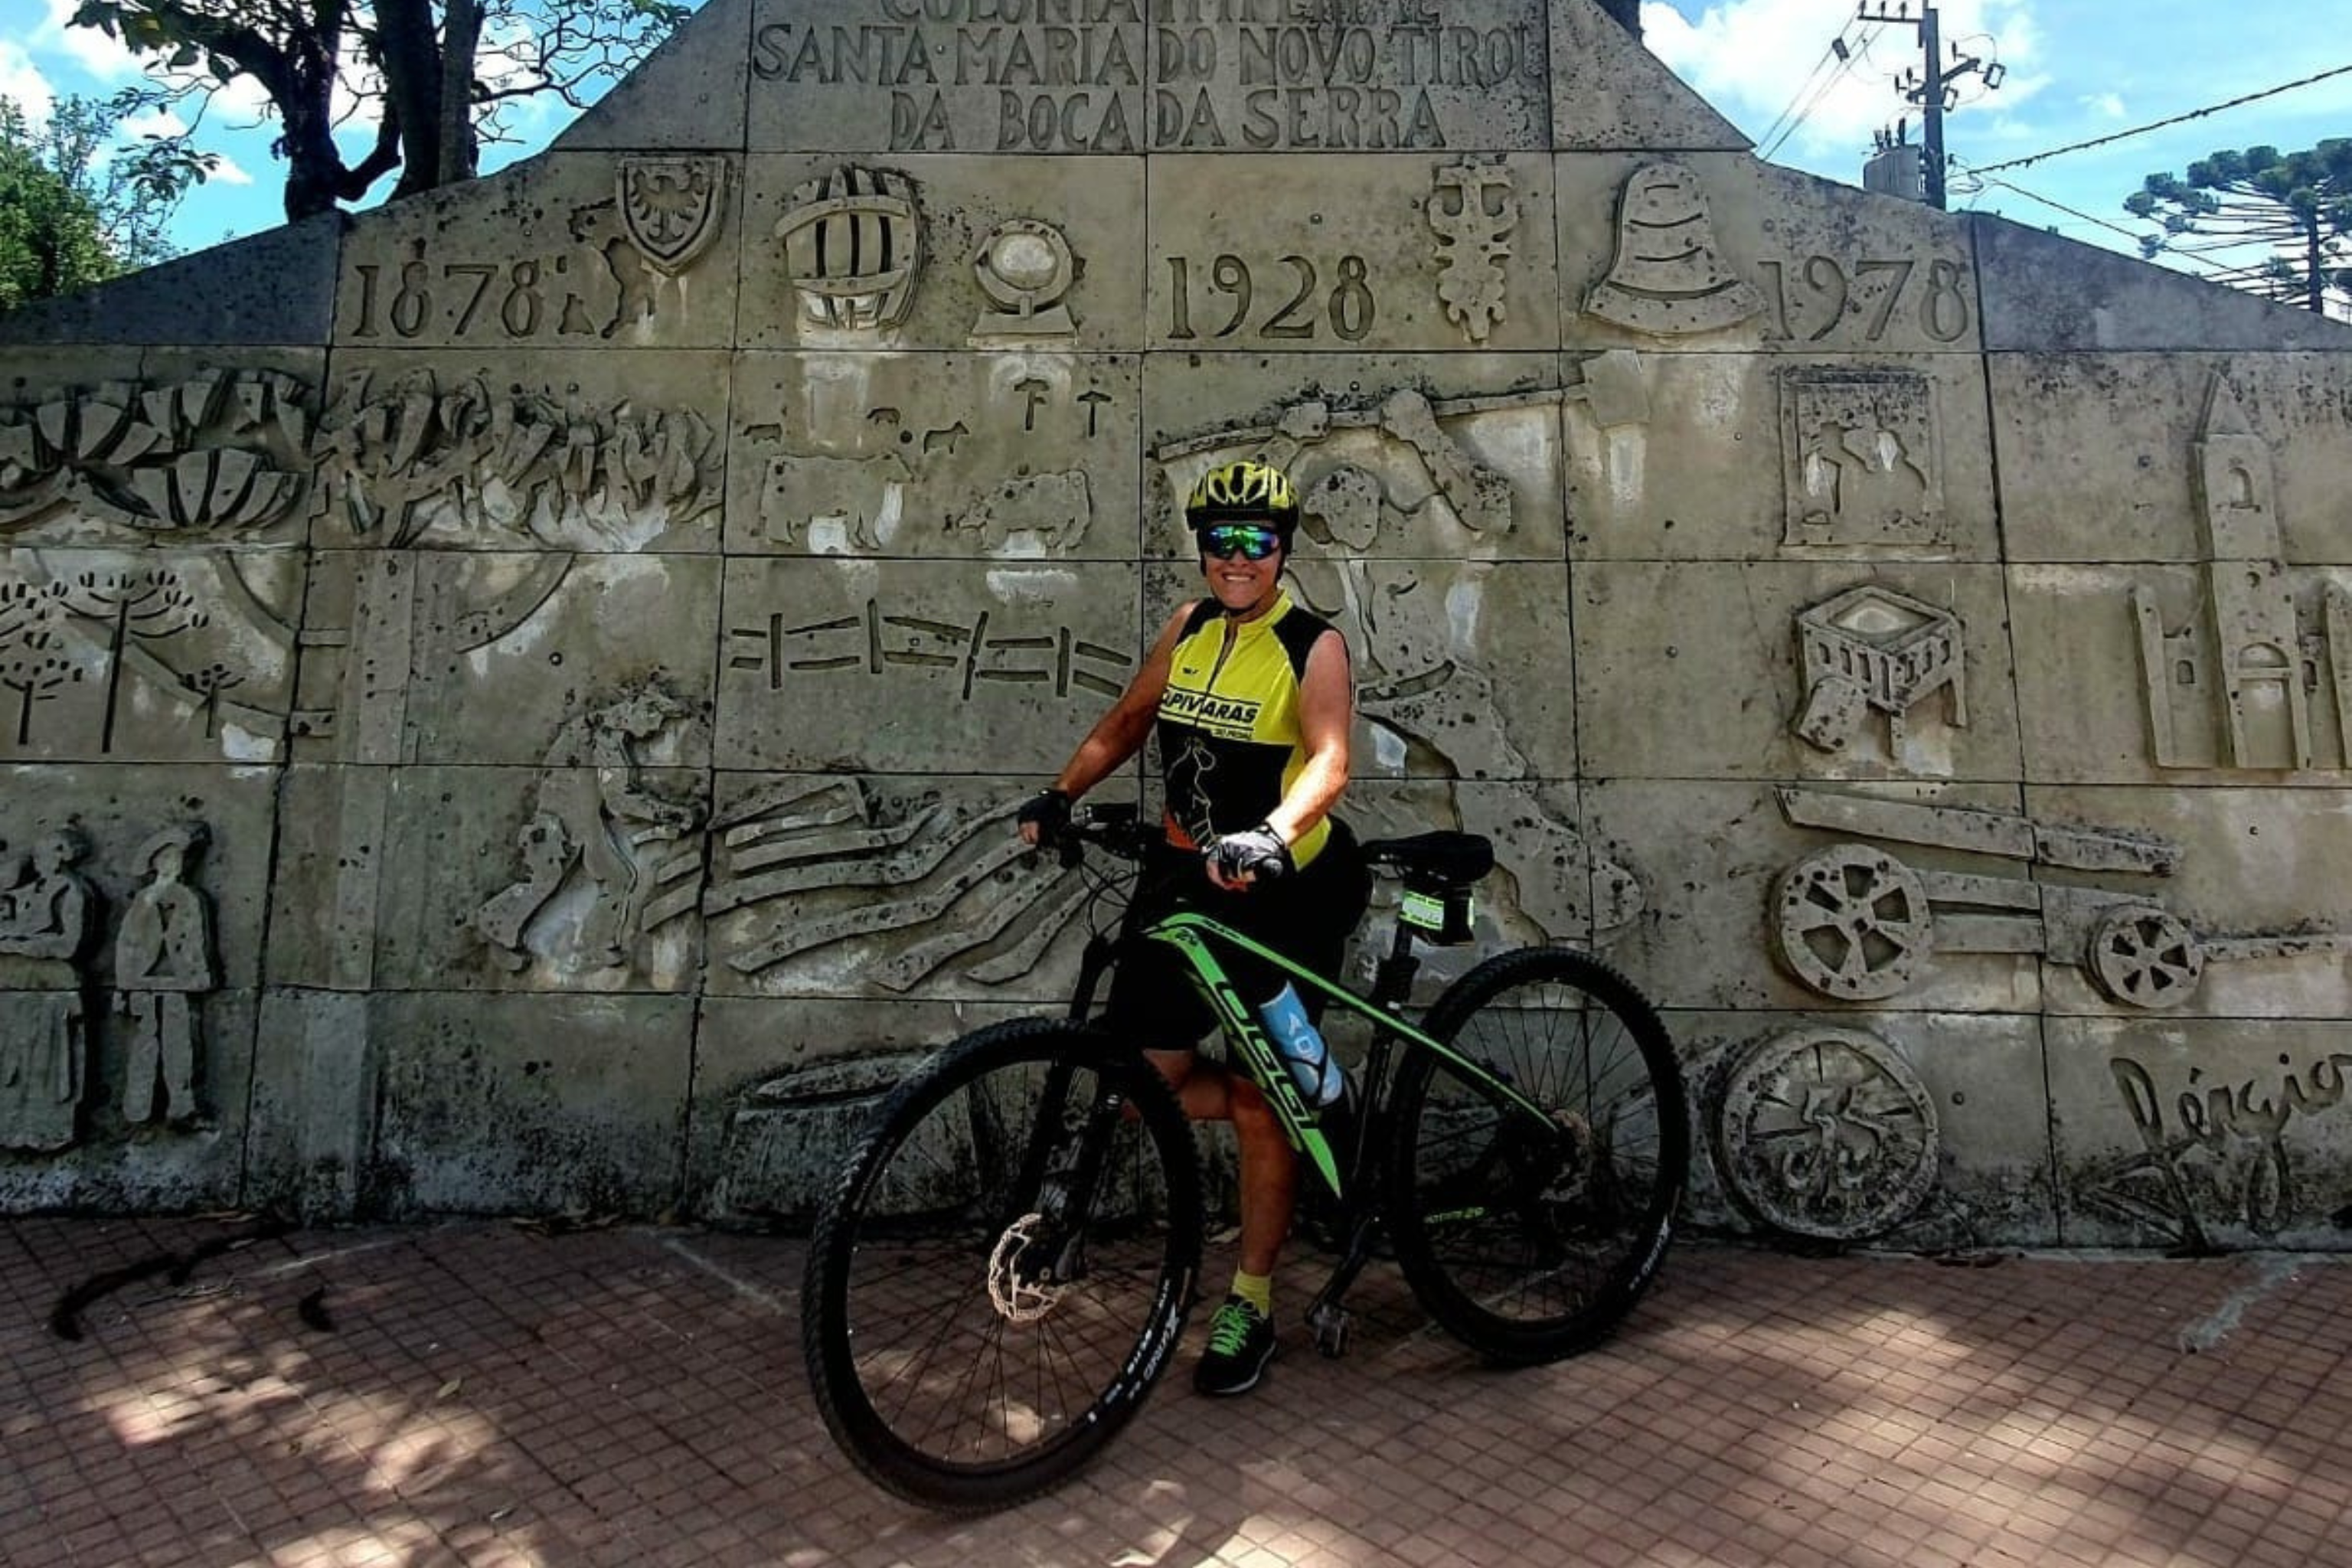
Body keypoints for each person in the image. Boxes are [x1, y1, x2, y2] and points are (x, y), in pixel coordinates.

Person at [1018, 458, 1370, 1397]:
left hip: (1284, 888)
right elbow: (1129, 721)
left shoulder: (1312, 641)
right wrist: (1060, 793)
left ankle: (1250, 1297)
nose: (1237, 557)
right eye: (1221, 541)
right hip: (1183, 878)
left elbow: (1330, 762)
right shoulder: (1189, 626)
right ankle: (1272, 1106)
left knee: (1280, 1089)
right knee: (1147, 1080)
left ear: (1283, 548)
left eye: (1256, 540)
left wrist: (1270, 833)